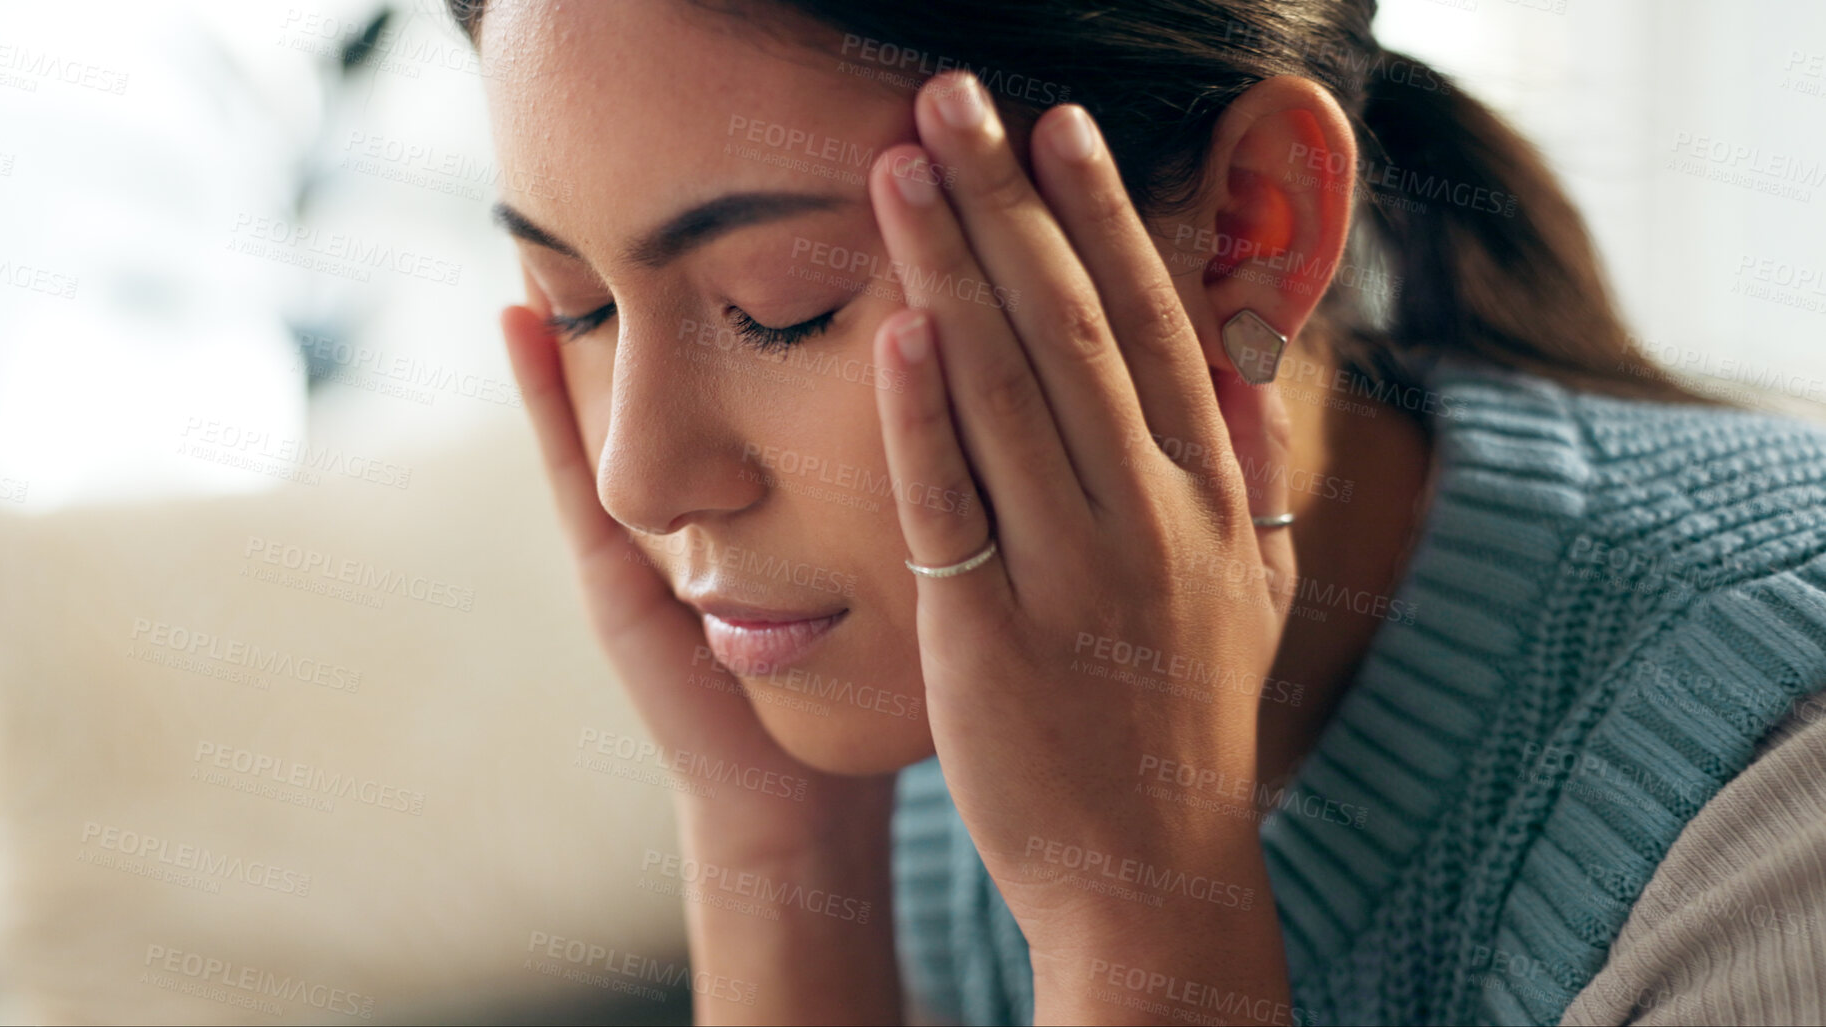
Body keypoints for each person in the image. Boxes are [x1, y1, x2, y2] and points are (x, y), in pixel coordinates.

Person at [452, 0, 1826, 1022]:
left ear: (1248, 222)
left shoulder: (1771, 807)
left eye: (780, 304)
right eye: (578, 303)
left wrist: (1136, 911)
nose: (640, 473)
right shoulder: (931, 730)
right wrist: (776, 844)